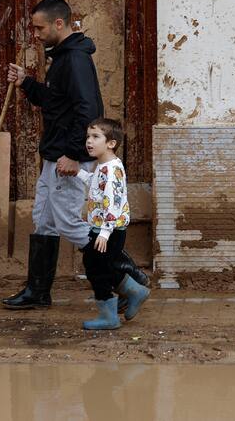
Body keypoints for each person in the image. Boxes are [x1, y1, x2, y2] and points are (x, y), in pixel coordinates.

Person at [2, 0, 147, 310]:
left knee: (68, 223)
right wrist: (26, 82)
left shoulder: (76, 59)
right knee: (43, 221)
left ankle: (125, 276)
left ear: (58, 23)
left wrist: (71, 153)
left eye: (40, 28)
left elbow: (88, 111)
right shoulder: (62, 57)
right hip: (54, 155)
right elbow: (56, 103)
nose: (36, 34)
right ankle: (38, 292)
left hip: (65, 157)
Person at [76, 118, 149, 329]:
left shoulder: (112, 170)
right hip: (101, 229)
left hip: (108, 231)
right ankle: (135, 292)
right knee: (99, 266)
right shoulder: (104, 166)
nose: (89, 141)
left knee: (96, 269)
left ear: (111, 143)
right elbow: (96, 185)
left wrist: (105, 233)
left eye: (95, 137)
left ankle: (110, 316)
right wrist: (78, 173)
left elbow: (114, 203)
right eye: (88, 136)